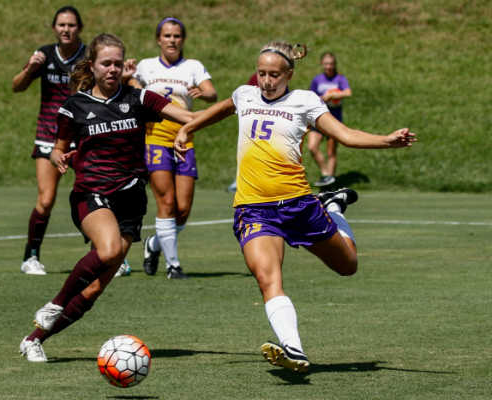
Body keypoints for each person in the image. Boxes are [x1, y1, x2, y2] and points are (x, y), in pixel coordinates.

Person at [174, 41, 416, 372]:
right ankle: (295, 350)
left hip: (299, 206)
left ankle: (333, 209)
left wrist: (386, 140)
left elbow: (345, 135)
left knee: (348, 265)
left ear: (289, 74)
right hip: (254, 208)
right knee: (267, 278)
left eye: (274, 74)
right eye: (261, 73)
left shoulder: (304, 101)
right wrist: (188, 127)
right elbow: (222, 109)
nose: (267, 80)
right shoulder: (246, 95)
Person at [19, 33, 197, 362]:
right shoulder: (74, 107)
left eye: (118, 63)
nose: (113, 69)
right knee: (110, 250)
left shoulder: (141, 98)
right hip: (91, 193)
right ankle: (55, 303)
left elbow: (189, 117)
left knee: (95, 288)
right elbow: (60, 145)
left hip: (131, 199)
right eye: (106, 63)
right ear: (93, 65)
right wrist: (61, 156)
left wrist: (237, 106)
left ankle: (34, 339)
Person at [131, 17, 217, 279]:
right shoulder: (146, 66)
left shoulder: (192, 66)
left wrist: (203, 93)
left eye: (177, 36)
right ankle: (173, 266)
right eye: (167, 35)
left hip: (183, 138)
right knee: (166, 203)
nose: (172, 40)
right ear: (158, 39)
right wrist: (135, 84)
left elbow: (211, 92)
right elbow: (132, 87)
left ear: (183, 40)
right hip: (155, 137)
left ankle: (153, 244)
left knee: (183, 210)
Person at [12, 6, 87, 275]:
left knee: (96, 194)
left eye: (71, 25)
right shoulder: (43, 54)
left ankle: (108, 254)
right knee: (46, 200)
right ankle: (30, 257)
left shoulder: (89, 57)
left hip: (81, 135)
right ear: (54, 28)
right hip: (48, 135)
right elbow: (16, 85)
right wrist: (31, 69)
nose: (66, 29)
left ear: (79, 28)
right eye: (61, 25)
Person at [306, 52, 352, 187]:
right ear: (322, 64)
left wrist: (332, 95)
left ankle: (330, 182)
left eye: (331, 64)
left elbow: (348, 92)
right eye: (326, 64)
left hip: (334, 119)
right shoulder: (317, 80)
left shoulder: (340, 79)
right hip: (318, 118)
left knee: (331, 151)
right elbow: (310, 96)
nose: (329, 66)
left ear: (334, 64)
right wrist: (321, 99)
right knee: (312, 147)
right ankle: (325, 173)